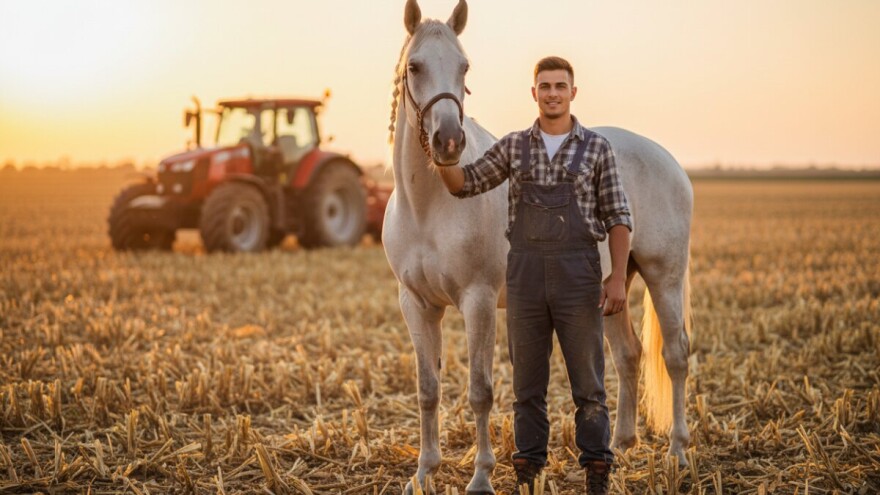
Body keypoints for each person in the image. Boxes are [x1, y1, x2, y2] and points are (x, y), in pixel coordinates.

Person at [434, 56, 632, 495]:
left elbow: (618, 216)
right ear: (534, 93)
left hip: (579, 275)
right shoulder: (514, 147)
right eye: (545, 86)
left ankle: (596, 469)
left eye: (560, 86)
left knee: (589, 385)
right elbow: (464, 183)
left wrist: (617, 277)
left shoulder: (597, 149)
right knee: (527, 385)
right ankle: (528, 470)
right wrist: (444, 154)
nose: (553, 93)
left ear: (573, 93)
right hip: (522, 276)